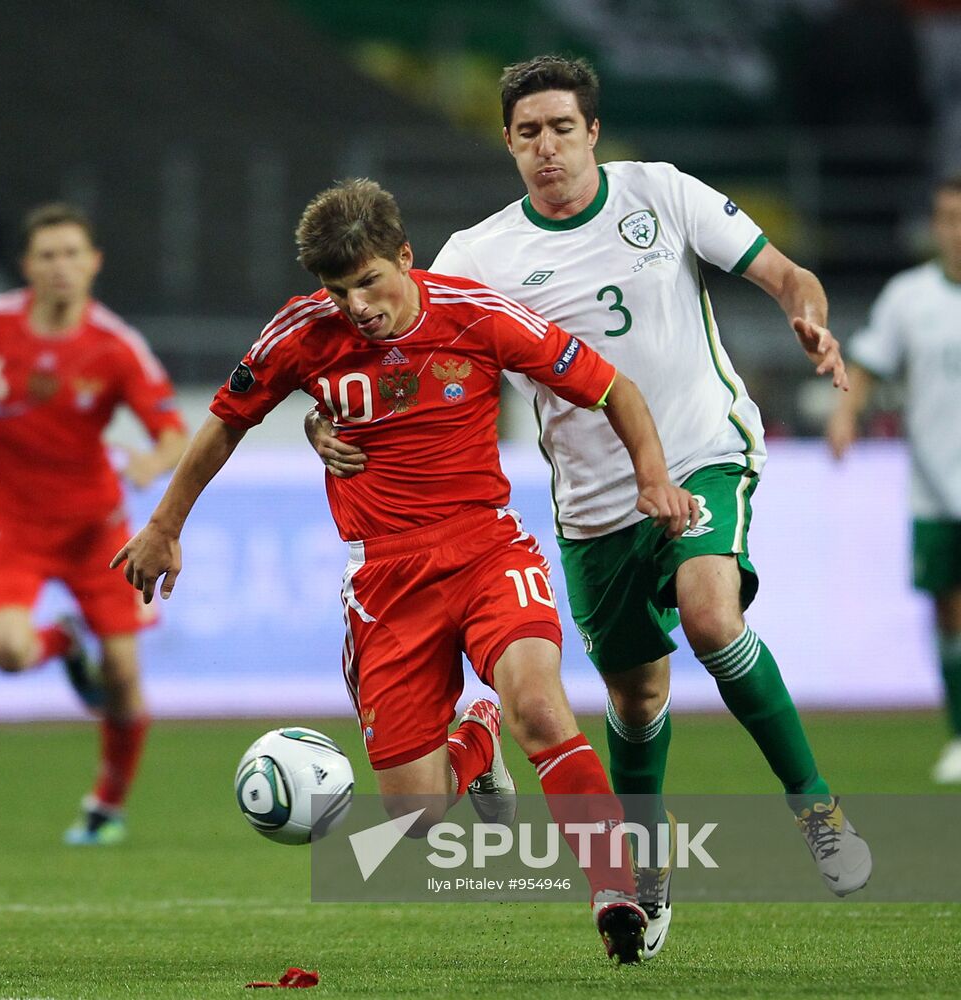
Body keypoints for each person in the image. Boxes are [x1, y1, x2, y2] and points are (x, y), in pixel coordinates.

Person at [307, 56, 873, 958]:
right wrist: (322, 425)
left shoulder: (664, 194)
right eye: (528, 134)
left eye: (562, 129)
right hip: (592, 506)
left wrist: (810, 317)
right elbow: (387, 364)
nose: (547, 149)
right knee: (635, 696)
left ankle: (819, 811)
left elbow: (786, 273)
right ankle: (644, 865)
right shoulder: (479, 256)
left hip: (698, 455)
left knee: (710, 614)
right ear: (508, 143)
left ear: (593, 132)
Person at [112, 178, 700, 964]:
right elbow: (226, 422)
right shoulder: (300, 334)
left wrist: (653, 477)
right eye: (337, 289)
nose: (356, 305)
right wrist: (163, 524)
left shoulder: (477, 315)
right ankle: (475, 737)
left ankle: (613, 891)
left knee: (540, 704)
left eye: (368, 282)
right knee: (417, 818)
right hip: (385, 583)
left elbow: (611, 387)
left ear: (404, 258)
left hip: (488, 550)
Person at [0, 203, 188, 845]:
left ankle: (106, 807)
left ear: (94, 264)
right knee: (7, 653)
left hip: (96, 529)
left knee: (122, 679)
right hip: (9, 525)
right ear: (26, 266)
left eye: (73, 254)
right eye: (48, 255)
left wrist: (150, 460)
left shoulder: (117, 347)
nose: (61, 267)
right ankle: (63, 641)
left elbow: (174, 431)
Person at [827, 173, 961, 783]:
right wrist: (846, 414)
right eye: (946, 218)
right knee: (949, 612)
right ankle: (959, 735)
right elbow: (872, 360)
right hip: (936, 487)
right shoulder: (910, 296)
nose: (955, 231)